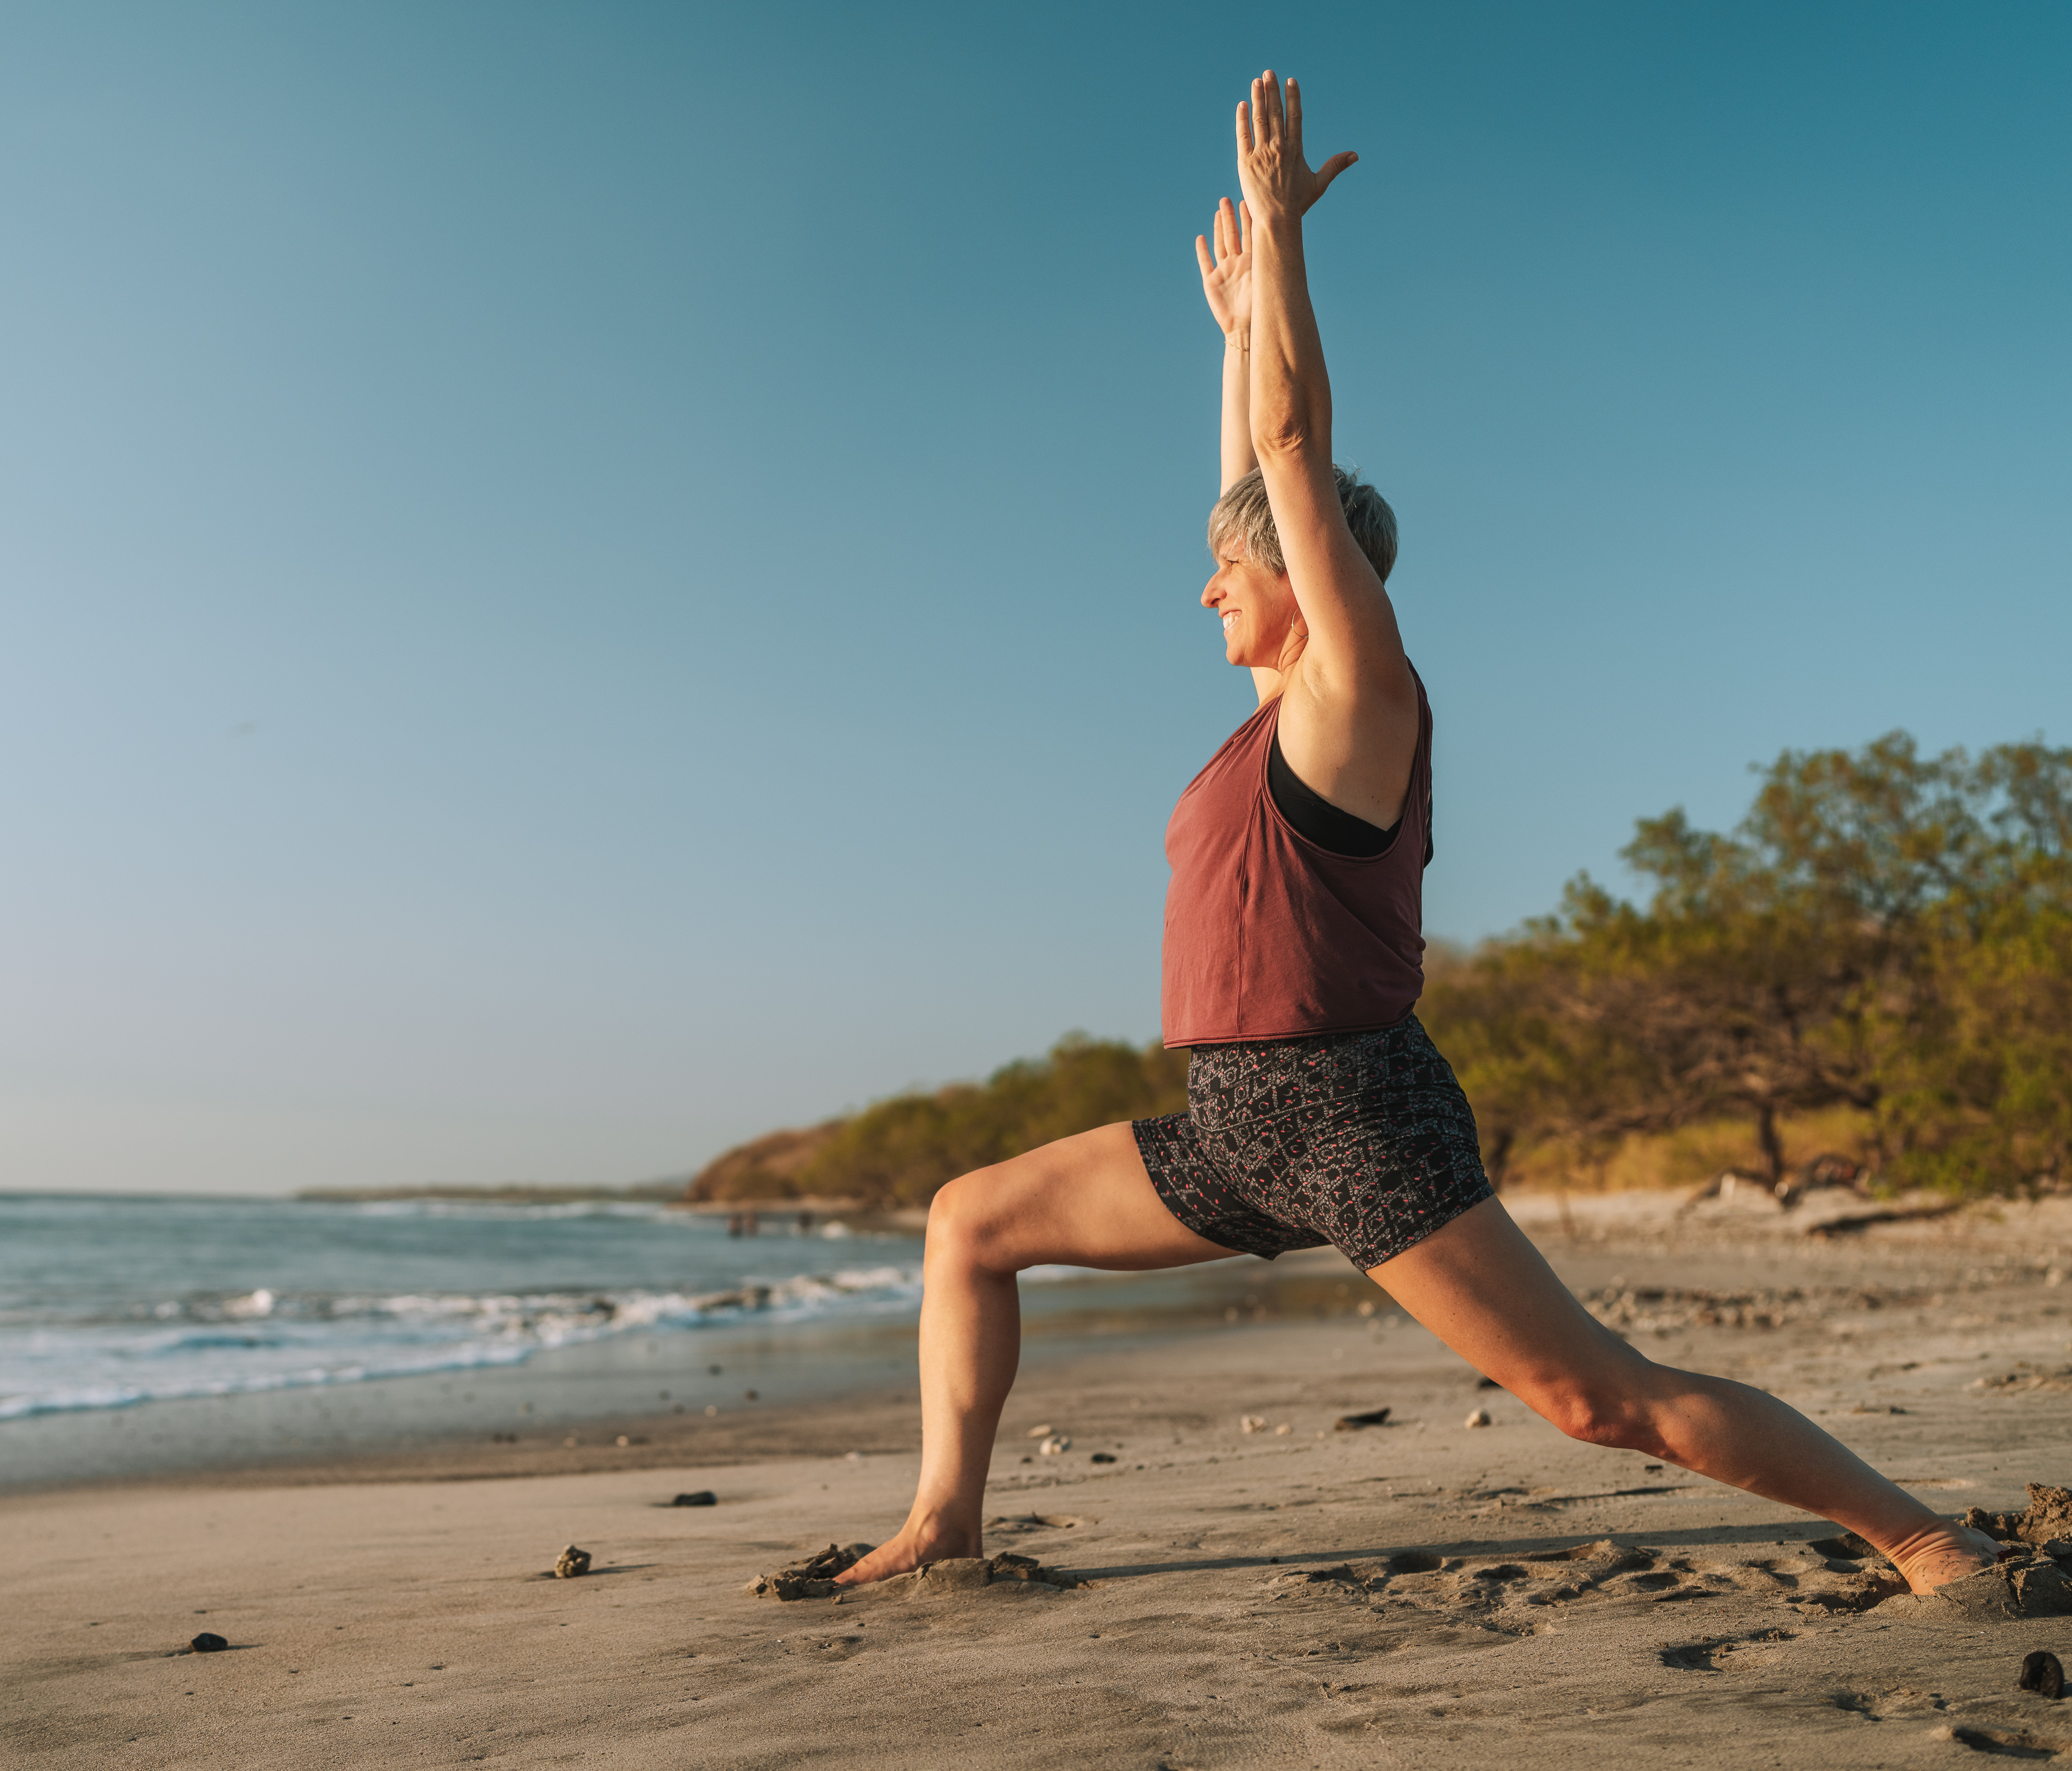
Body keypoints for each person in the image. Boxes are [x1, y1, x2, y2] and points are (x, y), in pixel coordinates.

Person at [839, 71, 1998, 1594]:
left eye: (1228, 571)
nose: (1201, 587)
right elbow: (1251, 485)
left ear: (1308, 585)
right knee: (966, 1220)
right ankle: (945, 1521)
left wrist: (1283, 251)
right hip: (1234, 1120)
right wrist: (1238, 323)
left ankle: (1918, 1532)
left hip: (1353, 1114)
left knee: (1593, 1398)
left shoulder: (1354, 694)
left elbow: (1289, 458)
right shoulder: (1266, 712)